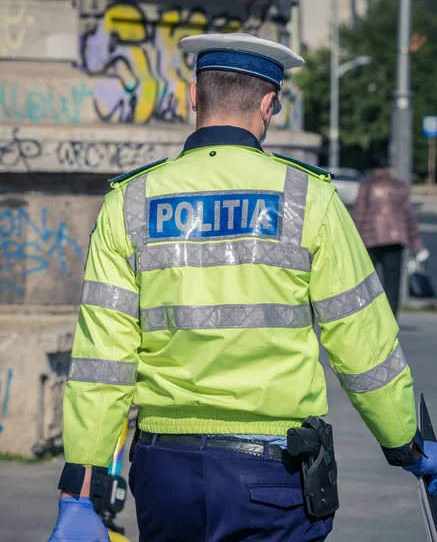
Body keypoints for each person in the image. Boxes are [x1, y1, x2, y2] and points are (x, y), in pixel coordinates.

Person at [48, 34, 437, 542]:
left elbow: (102, 359)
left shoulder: (131, 201)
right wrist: (406, 440)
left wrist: (82, 487)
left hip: (166, 475)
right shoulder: (308, 198)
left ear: (193, 97)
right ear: (268, 104)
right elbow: (361, 341)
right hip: (273, 474)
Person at [353, 154, 429, 316]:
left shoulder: (367, 186)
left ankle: (368, 315)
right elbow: (409, 216)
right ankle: (391, 318)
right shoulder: (399, 186)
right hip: (396, 240)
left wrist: (353, 239)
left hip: (370, 240)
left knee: (366, 281)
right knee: (392, 284)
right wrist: (417, 245)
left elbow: (359, 214)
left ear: (372, 169)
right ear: (388, 169)